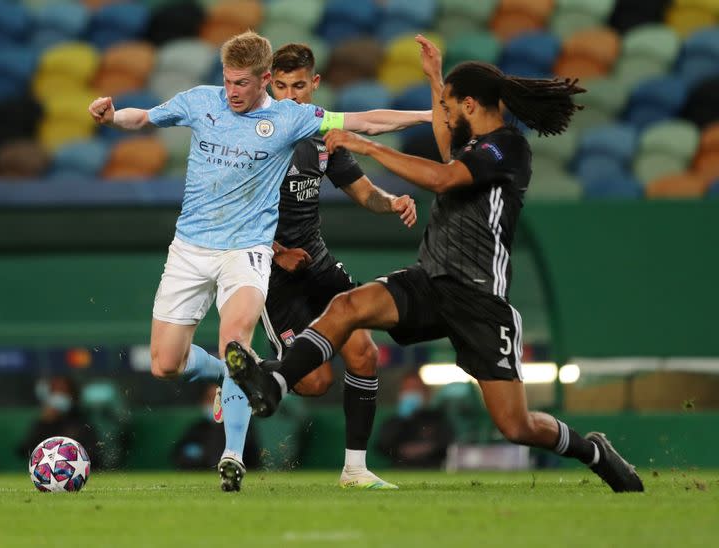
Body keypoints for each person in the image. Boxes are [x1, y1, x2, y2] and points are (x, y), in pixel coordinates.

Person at [224, 35, 644, 493]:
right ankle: (276, 383)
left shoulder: (507, 149)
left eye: (447, 105)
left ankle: (593, 451)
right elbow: (448, 150)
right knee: (347, 306)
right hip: (430, 282)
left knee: (516, 426)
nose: (441, 114)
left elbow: (444, 177)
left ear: (469, 104)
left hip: (478, 299)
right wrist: (433, 78)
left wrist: (368, 147)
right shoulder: (473, 145)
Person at [88, 31, 430, 491]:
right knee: (165, 363)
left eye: (242, 84)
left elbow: (365, 121)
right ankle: (241, 374)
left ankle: (232, 455)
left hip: (246, 252)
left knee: (237, 341)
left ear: (264, 79)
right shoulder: (200, 101)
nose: (232, 91)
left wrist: (429, 114)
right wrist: (112, 117)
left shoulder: (292, 120)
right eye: (228, 81)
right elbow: (144, 117)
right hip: (190, 249)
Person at [263, 43, 416, 489]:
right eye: (280, 86)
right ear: (270, 84)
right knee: (313, 383)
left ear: (314, 84)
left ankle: (354, 470)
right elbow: (233, 211)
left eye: (298, 86)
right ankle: (244, 375)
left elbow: (363, 191)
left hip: (319, 262)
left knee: (365, 352)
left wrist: (394, 203)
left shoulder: (321, 135)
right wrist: (277, 252)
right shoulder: (257, 134)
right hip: (273, 273)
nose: (290, 96)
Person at [375, 370, 454, 469]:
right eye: (407, 389)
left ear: (426, 393)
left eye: (415, 389)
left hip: (432, 470)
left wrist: (427, 448)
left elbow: (448, 445)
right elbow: (382, 446)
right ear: (400, 394)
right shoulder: (393, 421)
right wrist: (402, 450)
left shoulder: (437, 419)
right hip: (399, 470)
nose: (411, 393)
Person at [17, 376, 100, 468]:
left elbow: (94, 455)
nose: (58, 396)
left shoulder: (82, 422)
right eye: (55, 392)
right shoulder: (43, 422)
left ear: (72, 395)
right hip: (45, 472)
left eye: (63, 392)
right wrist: (44, 423)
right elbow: (23, 450)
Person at [172, 385, 259, 470]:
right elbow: (177, 455)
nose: (215, 403)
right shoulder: (197, 428)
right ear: (203, 402)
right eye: (211, 398)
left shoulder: (239, 427)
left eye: (219, 399)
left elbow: (253, 458)